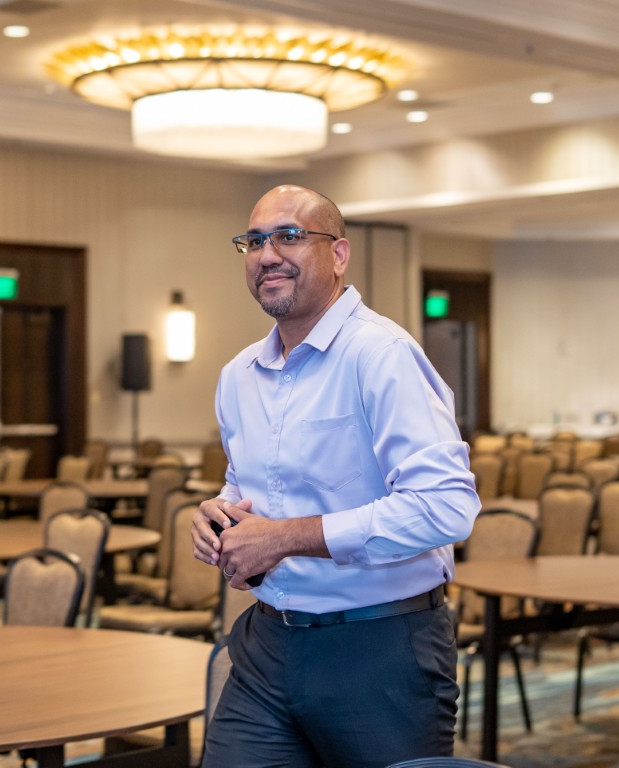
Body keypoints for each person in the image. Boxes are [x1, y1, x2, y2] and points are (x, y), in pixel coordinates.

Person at [192, 184, 480, 768]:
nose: (267, 254)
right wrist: (222, 515)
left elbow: (446, 507)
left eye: (289, 236)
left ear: (339, 254)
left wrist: (284, 537)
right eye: (254, 241)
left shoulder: (380, 353)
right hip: (267, 645)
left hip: (380, 649)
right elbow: (246, 486)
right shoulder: (238, 374)